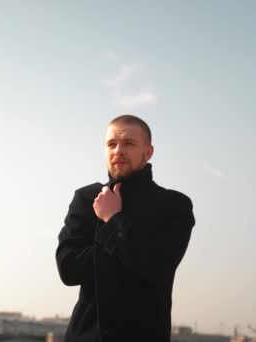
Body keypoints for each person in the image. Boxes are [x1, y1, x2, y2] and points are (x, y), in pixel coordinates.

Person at [56, 115, 196, 342]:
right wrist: (125, 243)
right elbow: (68, 269)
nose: (118, 150)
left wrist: (112, 219)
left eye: (129, 144)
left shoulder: (174, 205)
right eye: (112, 144)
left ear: (148, 152)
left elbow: (156, 265)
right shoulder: (86, 198)